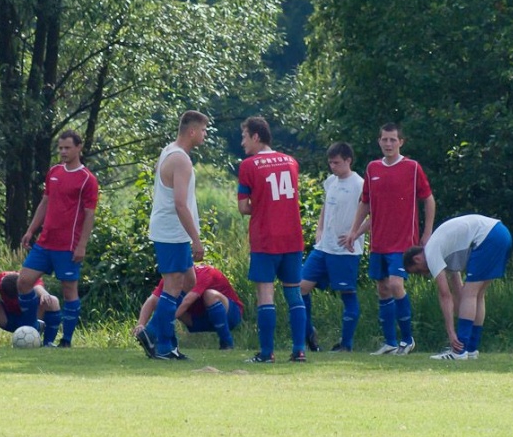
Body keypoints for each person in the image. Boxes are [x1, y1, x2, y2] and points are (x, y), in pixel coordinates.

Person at [341, 123, 435, 356]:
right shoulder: (372, 168)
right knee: (383, 289)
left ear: (401, 142)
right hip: (379, 242)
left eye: (393, 140)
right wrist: (354, 231)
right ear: (379, 141)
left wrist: (427, 232)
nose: (389, 144)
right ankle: (390, 342)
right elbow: (366, 203)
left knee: (395, 284)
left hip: (403, 241)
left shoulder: (412, 167)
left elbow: (428, 199)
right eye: (385, 139)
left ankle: (408, 339)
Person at [17, 129, 99, 348]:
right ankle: (32, 328)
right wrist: (31, 230)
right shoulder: (54, 172)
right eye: (60, 148)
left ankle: (66, 340)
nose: (63, 151)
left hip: (68, 246)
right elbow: (45, 202)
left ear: (78, 148)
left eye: (67, 148)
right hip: (45, 242)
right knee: (23, 282)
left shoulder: (87, 179)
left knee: (69, 290)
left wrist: (82, 245)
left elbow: (89, 214)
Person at [237, 116, 307, 363]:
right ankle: (299, 350)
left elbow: (243, 207)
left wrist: (261, 207)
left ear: (256, 136)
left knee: (265, 295)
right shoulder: (291, 162)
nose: (242, 142)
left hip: (266, 238)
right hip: (292, 237)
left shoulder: (248, 165)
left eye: (245, 136)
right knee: (294, 294)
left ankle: (267, 353)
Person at [143, 110, 208, 360]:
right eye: (203, 130)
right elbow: (180, 204)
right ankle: (164, 345)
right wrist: (196, 239)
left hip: (172, 230)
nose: (204, 135)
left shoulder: (170, 150)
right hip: (172, 231)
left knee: (189, 282)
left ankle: (151, 330)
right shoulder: (181, 160)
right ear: (192, 131)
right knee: (172, 286)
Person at [403, 215, 512, 360]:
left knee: (470, 294)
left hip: (489, 237)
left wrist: (451, 333)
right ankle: (470, 349)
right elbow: (457, 291)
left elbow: (445, 295)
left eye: (418, 271)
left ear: (417, 259)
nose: (423, 274)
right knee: (476, 295)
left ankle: (459, 351)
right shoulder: (443, 250)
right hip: (501, 233)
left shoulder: (431, 252)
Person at [300, 142, 367, 352]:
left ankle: (346, 344)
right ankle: (308, 333)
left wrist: (356, 233)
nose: (333, 167)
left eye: (336, 163)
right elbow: (325, 207)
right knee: (300, 287)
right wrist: (319, 229)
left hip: (345, 250)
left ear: (348, 160)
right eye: (330, 163)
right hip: (323, 247)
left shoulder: (360, 184)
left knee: (347, 293)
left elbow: (374, 214)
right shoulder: (330, 181)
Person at [133, 263, 244, 357]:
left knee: (209, 295)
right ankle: (169, 346)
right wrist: (141, 324)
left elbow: (187, 302)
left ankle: (227, 343)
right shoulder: (172, 278)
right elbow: (152, 300)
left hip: (230, 316)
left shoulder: (205, 273)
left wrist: (161, 323)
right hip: (198, 320)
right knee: (165, 301)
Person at [0, 272, 61, 347]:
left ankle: (48, 343)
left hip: (31, 319)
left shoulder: (27, 279)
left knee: (53, 300)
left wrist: (44, 294)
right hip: (7, 318)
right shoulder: (0, 278)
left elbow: (38, 287)